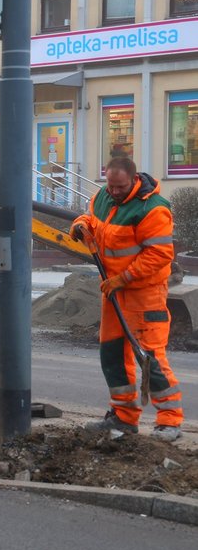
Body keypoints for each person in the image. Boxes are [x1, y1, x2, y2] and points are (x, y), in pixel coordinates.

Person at [70, 156, 183, 442]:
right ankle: (123, 417)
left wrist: (124, 278)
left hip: (144, 294)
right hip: (113, 292)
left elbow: (159, 254)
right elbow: (92, 219)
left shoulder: (153, 209)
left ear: (133, 180)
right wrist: (81, 224)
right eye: (110, 185)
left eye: (119, 186)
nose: (114, 191)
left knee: (149, 358)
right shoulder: (103, 197)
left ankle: (170, 421)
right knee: (112, 355)